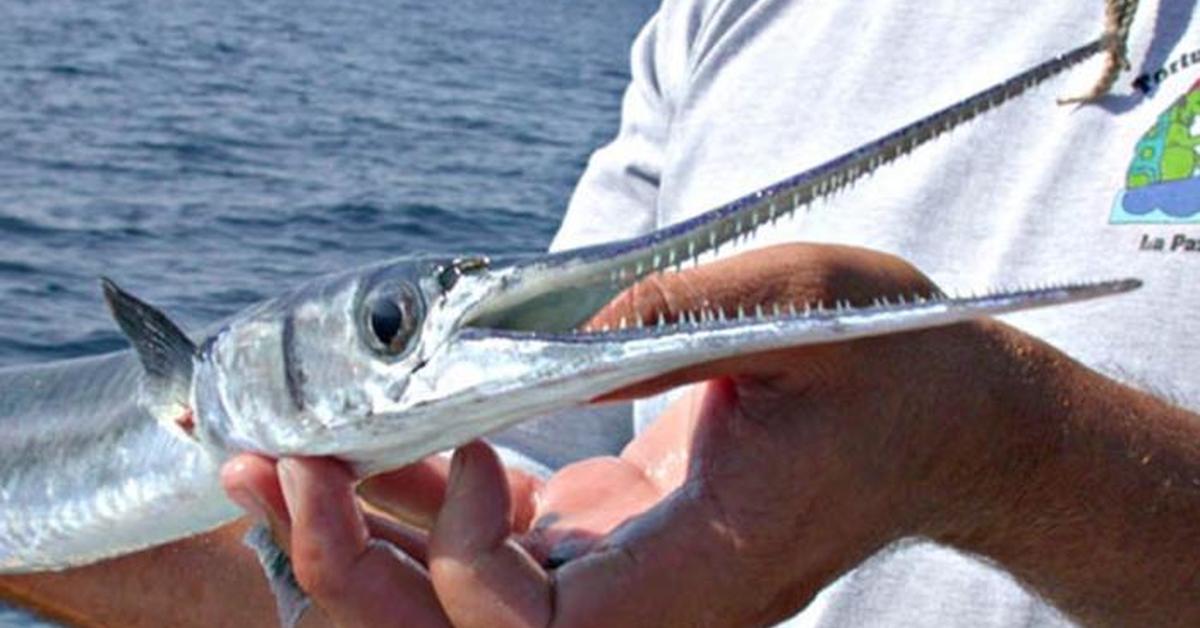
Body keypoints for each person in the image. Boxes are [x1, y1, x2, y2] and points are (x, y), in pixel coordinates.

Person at [4, 0, 1199, 626]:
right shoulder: (732, 11)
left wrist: (1011, 455)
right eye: (383, 329)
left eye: (385, 331)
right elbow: (532, 491)